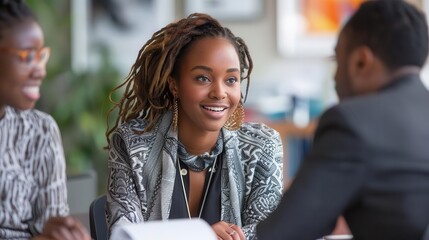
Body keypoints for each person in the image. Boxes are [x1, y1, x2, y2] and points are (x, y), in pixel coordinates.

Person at [256, 0, 429, 239]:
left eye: (336, 61)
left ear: (361, 62)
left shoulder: (352, 123)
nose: (335, 77)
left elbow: (279, 233)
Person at [105, 13, 284, 240]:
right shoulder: (131, 145)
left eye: (231, 80)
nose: (219, 92)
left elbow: (273, 233)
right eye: (203, 78)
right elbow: (123, 235)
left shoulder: (261, 145)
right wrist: (203, 236)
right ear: (174, 85)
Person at [0, 1, 90, 240]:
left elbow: (48, 228)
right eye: (27, 56)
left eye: (41, 56)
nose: (40, 70)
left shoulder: (40, 131)